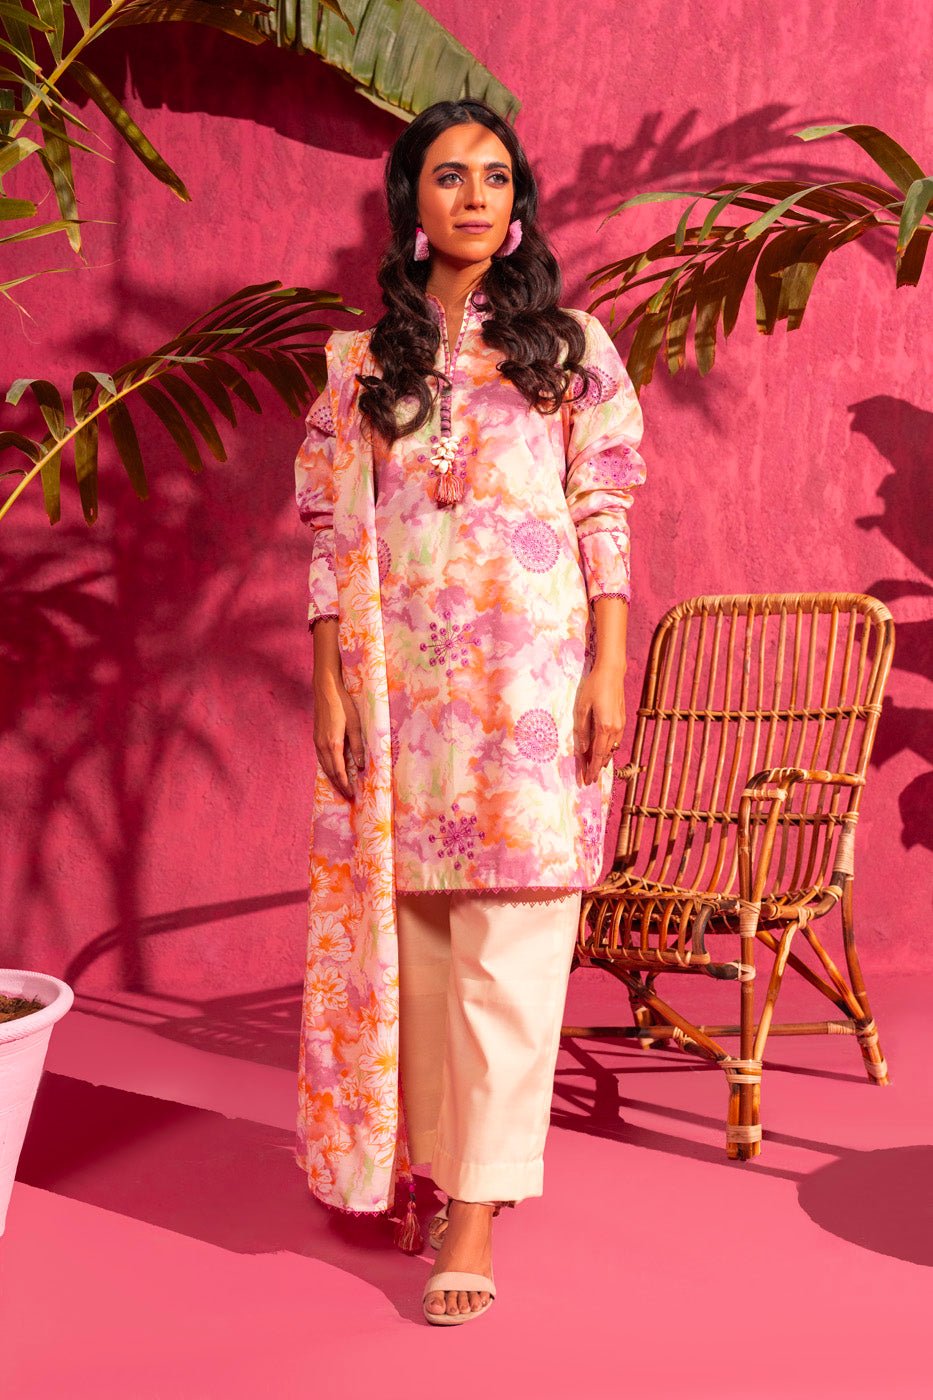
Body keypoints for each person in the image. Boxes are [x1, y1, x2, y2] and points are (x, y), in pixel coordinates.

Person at [294, 98, 646, 1327]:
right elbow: (330, 533)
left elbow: (604, 505)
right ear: (411, 202)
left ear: (519, 204)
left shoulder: (571, 345)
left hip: (530, 689)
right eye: (450, 176)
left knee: (516, 942)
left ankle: (479, 1210)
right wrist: (330, 681)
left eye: (497, 177)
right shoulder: (357, 363)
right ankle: (432, 1166)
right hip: (401, 691)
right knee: (423, 955)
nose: (477, 197)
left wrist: (608, 664)